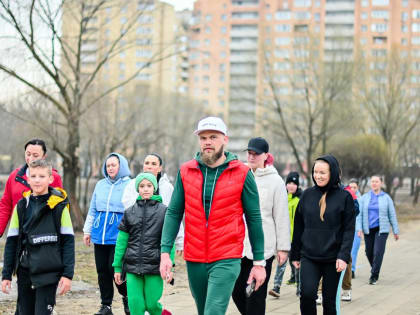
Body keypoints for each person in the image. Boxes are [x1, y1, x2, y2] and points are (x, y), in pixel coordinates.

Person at [159, 116, 266, 315]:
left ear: (225, 139)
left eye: (213, 137)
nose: (207, 142)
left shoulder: (242, 173)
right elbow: (174, 212)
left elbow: (254, 218)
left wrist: (259, 263)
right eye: (203, 137)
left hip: (227, 256)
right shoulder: (186, 171)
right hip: (195, 257)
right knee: (203, 310)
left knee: (213, 311)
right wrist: (165, 252)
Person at [1, 159, 74, 314]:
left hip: (49, 273)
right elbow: (12, 242)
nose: (37, 180)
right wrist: (6, 275)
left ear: (50, 179)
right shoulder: (21, 206)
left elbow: (68, 242)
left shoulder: (59, 207)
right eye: (33, 176)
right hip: (25, 272)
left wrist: (68, 275)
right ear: (28, 179)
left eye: (41, 176)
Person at [290, 155, 355, 315]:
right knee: (306, 295)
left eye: (322, 173)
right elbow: (298, 226)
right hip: (309, 256)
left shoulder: (344, 197)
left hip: (333, 258)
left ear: (332, 173)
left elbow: (349, 229)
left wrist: (343, 255)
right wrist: (295, 254)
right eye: (315, 172)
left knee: (329, 301)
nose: (318, 176)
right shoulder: (306, 195)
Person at [232, 137, 290, 314]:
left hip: (264, 247)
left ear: (266, 156)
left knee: (256, 296)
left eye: (255, 154)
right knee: (237, 292)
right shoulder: (240, 174)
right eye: (249, 153)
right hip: (240, 245)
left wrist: (283, 248)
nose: (251, 157)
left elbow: (281, 216)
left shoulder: (276, 181)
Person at [113, 173, 170, 315]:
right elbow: (121, 242)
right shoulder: (129, 212)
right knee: (135, 306)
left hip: (155, 266)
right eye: (142, 186)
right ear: (137, 189)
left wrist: (169, 263)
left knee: (152, 305)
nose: (145, 189)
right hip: (132, 267)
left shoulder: (164, 212)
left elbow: (169, 240)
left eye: (149, 186)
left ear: (154, 188)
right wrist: (117, 267)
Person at [83, 153, 131, 315]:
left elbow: (132, 211)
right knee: (102, 271)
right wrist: (87, 231)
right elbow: (93, 208)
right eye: (108, 165)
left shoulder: (129, 184)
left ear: (121, 166)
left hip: (118, 235)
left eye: (114, 165)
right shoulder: (100, 184)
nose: (110, 168)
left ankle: (127, 298)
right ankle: (106, 306)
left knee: (115, 270)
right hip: (99, 234)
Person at [121, 153, 184, 254]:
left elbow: (174, 213)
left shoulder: (167, 188)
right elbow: (128, 210)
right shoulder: (132, 185)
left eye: (154, 164)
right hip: (137, 237)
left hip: (160, 237)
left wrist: (179, 240)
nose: (149, 166)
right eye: (147, 163)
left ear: (160, 168)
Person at [0, 139, 62, 237]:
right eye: (28, 154)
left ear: (44, 156)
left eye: (35, 155)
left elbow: (60, 207)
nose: (31, 158)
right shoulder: (14, 176)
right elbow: (5, 206)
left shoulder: (54, 177)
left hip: (45, 234)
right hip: (18, 232)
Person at [357, 175, 399, 285]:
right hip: (368, 229)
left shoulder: (386, 198)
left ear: (381, 183)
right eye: (372, 181)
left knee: (378, 252)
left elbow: (392, 214)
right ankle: (375, 267)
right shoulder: (364, 198)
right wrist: (359, 228)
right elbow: (359, 215)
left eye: (376, 181)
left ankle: (374, 275)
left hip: (382, 229)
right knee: (368, 252)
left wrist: (395, 230)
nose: (374, 183)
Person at [269, 171, 302, 298]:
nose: (291, 186)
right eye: (289, 183)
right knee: (281, 263)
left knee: (298, 264)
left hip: (297, 239)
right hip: (284, 238)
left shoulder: (300, 199)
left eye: (294, 183)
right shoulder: (282, 197)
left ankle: (300, 289)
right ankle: (276, 287)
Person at [340, 184, 359, 302]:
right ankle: (320, 291)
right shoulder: (321, 191)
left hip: (343, 231)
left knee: (346, 258)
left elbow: (356, 210)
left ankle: (346, 289)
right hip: (326, 232)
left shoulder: (348, 192)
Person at [348, 178, 362, 280]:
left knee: (354, 251)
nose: (352, 189)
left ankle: (352, 270)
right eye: (351, 187)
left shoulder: (361, 199)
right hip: (347, 228)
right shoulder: (345, 196)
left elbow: (362, 216)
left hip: (357, 229)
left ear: (358, 187)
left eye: (354, 187)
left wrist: (361, 229)